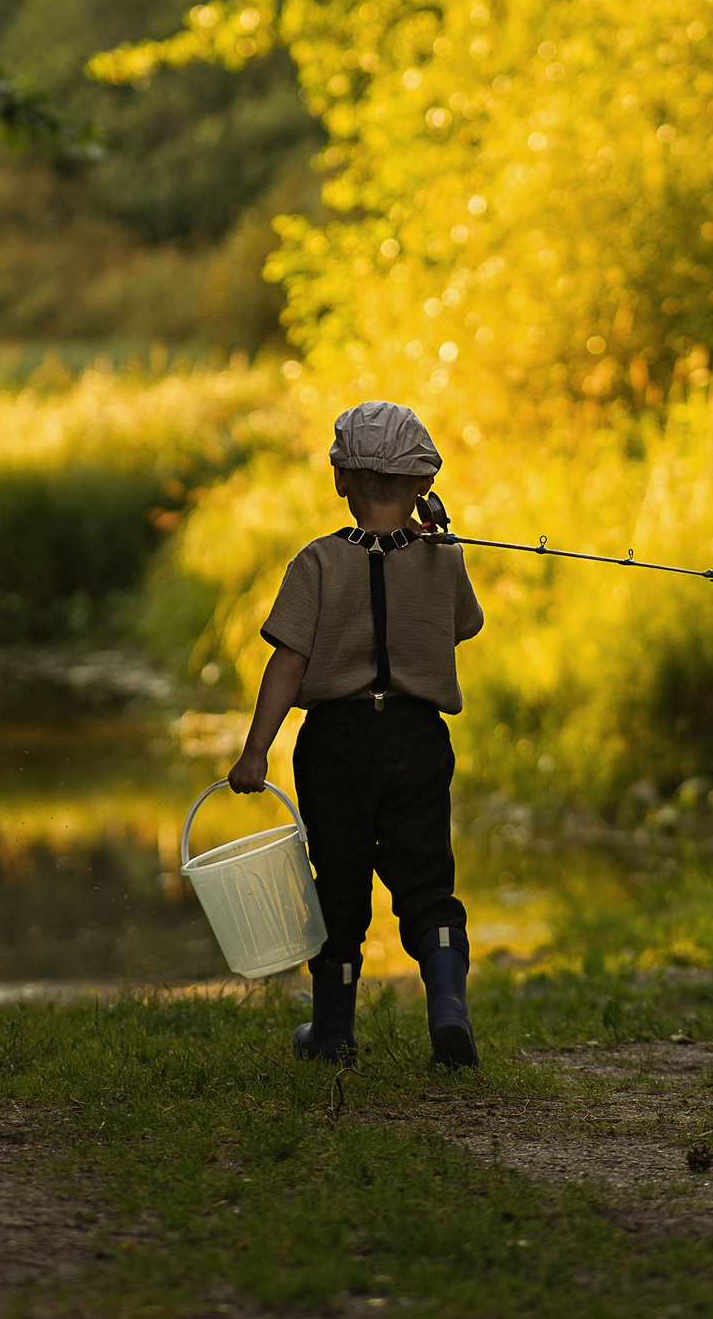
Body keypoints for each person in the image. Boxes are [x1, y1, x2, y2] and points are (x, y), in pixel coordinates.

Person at [226, 400, 484, 1067]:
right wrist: (441, 539)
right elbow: (467, 624)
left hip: (335, 743)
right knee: (427, 880)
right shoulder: (441, 556)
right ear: (424, 485)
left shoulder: (316, 562)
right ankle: (449, 1006)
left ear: (340, 478)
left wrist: (256, 748)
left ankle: (334, 1032)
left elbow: (290, 660)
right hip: (416, 738)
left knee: (338, 883)